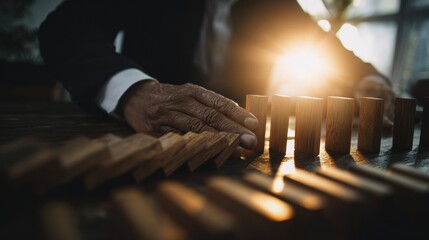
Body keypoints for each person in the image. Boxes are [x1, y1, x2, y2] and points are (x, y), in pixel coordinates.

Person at [38, 0, 395, 153]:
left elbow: (327, 48)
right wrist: (134, 93)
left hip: (243, 150)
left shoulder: (275, 3)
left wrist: (367, 79)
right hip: (144, 144)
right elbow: (65, 28)